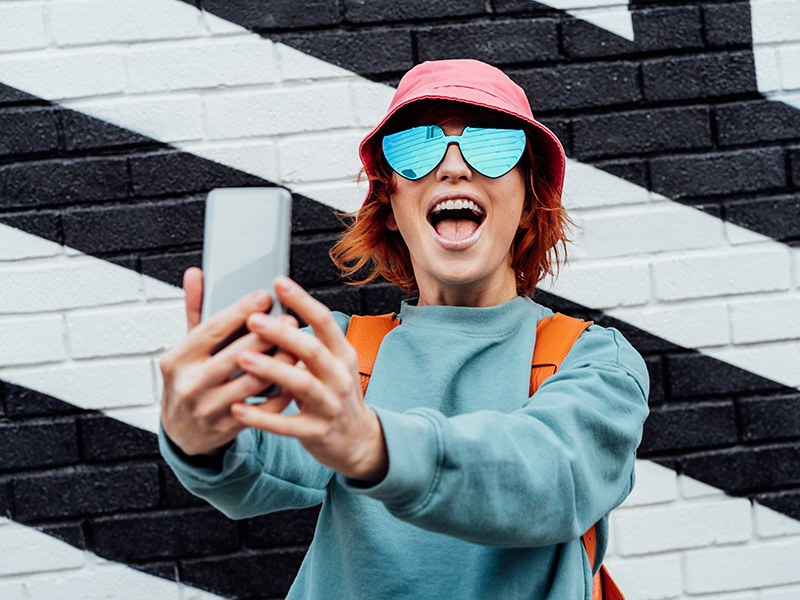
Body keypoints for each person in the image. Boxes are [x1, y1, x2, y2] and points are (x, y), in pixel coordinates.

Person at [159, 59, 649, 599]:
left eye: (492, 146)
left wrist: (372, 444)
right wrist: (202, 440)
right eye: (416, 149)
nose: (454, 168)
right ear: (389, 203)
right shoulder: (340, 353)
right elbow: (253, 468)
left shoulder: (595, 360)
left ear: (530, 202)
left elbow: (550, 478)